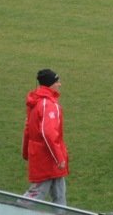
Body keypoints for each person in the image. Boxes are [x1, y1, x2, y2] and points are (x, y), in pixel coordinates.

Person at [22, 69, 69, 206]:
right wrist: (59, 158)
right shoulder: (48, 104)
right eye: (57, 81)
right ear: (50, 84)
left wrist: (26, 151)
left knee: (59, 194)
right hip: (47, 158)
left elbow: (28, 129)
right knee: (37, 193)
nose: (59, 84)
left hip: (42, 155)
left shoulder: (36, 101)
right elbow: (48, 133)